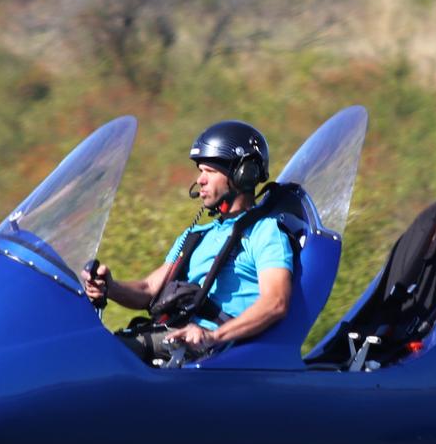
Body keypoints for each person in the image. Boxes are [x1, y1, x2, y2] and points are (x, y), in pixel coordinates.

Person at [82, 120, 294, 362]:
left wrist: (212, 336)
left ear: (244, 174)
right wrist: (109, 287)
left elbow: (276, 302)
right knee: (86, 348)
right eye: (200, 171)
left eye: (210, 171)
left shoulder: (265, 232)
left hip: (216, 353)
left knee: (101, 357)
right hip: (172, 340)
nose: (200, 180)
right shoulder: (197, 235)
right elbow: (148, 290)